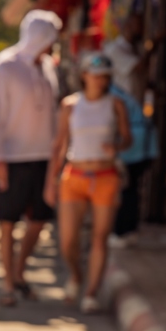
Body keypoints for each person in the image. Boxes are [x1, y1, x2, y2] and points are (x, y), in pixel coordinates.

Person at [0, 9, 61, 310]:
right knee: (7, 222)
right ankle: (7, 283)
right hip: (12, 157)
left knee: (39, 220)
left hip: (43, 157)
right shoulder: (4, 67)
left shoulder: (47, 69)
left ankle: (19, 271)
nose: (53, 45)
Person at [45, 53, 131, 313]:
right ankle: (76, 275)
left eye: (104, 76)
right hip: (75, 175)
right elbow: (59, 144)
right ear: (84, 76)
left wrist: (116, 146)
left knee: (99, 238)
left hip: (105, 176)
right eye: (95, 75)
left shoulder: (116, 104)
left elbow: (127, 139)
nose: (100, 80)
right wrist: (51, 181)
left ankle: (91, 292)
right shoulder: (70, 105)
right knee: (67, 240)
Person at [109, 80, 157, 248]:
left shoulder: (111, 95)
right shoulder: (116, 91)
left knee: (126, 190)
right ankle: (127, 231)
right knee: (129, 189)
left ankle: (123, 231)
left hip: (134, 146)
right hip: (140, 144)